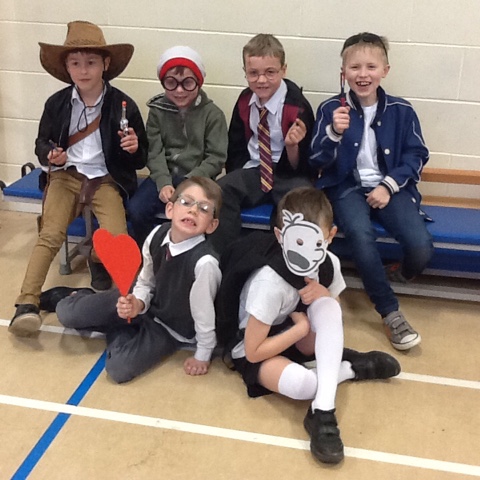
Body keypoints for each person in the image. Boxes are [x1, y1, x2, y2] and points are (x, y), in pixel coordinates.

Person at [216, 187, 400, 465]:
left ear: (330, 235)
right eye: (297, 241)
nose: (304, 251)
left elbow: (332, 314)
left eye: (315, 242)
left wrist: (325, 295)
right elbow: (252, 352)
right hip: (259, 347)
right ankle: (348, 369)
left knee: (328, 305)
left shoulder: (329, 263)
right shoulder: (269, 283)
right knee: (305, 385)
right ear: (280, 236)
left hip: (297, 336)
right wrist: (299, 331)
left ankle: (323, 411)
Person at [9, 21, 148, 337]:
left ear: (105, 64)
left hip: (106, 180)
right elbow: (41, 143)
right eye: (75, 63)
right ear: (67, 67)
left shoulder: (123, 104)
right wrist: (50, 155)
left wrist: (133, 148)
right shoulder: (57, 103)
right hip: (65, 177)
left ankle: (124, 303)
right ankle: (27, 303)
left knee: (118, 242)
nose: (83, 70)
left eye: (91, 62)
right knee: (50, 235)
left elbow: (140, 158)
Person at [309, 32, 434, 351]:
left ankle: (397, 274)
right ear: (343, 73)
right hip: (346, 186)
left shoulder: (401, 110)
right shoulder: (330, 109)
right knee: (360, 235)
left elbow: (417, 155)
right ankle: (390, 312)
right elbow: (316, 161)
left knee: (421, 247)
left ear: (385, 71)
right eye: (354, 67)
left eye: (371, 67)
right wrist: (333, 134)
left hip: (391, 186)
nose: (362, 74)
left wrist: (388, 185)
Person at [48, 177, 222, 383]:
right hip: (144, 303)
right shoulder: (157, 235)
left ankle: (118, 325)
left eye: (203, 208)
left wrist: (203, 354)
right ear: (170, 209)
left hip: (169, 329)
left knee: (118, 369)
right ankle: (84, 297)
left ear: (212, 225)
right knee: (66, 313)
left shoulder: (204, 263)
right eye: (186, 202)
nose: (193, 211)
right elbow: (145, 282)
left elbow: (204, 314)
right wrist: (137, 303)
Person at [209, 34, 315, 255]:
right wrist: (237, 175)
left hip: (289, 174)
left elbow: (306, 165)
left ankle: (283, 259)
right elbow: (236, 146)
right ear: (245, 72)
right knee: (220, 191)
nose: (261, 80)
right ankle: (225, 257)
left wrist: (292, 146)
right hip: (255, 170)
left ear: (283, 70)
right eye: (253, 73)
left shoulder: (297, 107)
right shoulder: (244, 101)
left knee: (299, 203)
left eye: (270, 72)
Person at [128, 46, 228, 247]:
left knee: (198, 213)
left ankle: (193, 253)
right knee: (136, 209)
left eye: (187, 83)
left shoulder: (213, 114)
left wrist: (188, 183)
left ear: (199, 82)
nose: (179, 90)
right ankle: (150, 252)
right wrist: (164, 183)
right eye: (171, 83)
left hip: (198, 178)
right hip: (163, 175)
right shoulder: (157, 111)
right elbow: (154, 151)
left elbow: (216, 158)